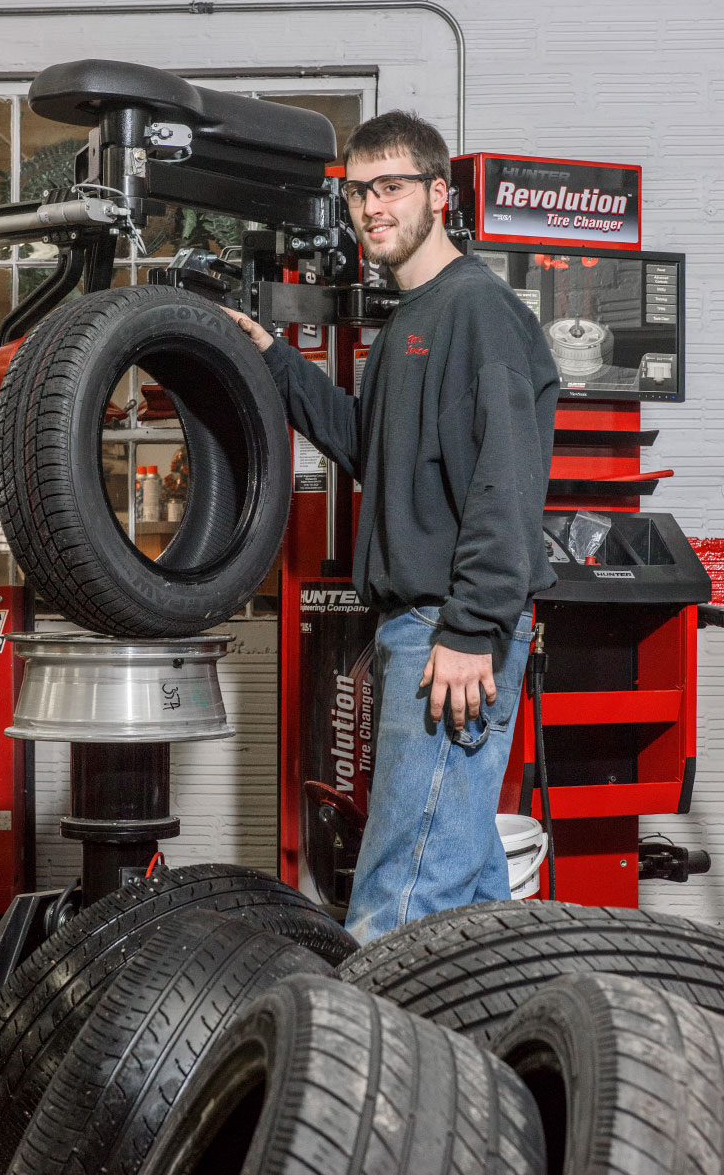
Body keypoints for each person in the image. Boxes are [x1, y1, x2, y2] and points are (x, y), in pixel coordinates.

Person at [224, 111, 559, 945]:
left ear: (438, 195)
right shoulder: (408, 320)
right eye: (359, 192)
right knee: (471, 898)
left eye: (391, 187)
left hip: (447, 632)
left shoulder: (478, 311)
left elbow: (506, 483)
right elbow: (368, 447)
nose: (371, 207)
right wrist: (273, 358)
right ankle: (497, 1057)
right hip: (419, 627)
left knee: (399, 902)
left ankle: (370, 1075)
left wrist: (471, 628)